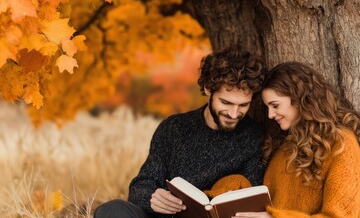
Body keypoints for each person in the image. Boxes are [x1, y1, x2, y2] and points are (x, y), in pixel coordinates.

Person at [93, 46, 266, 218]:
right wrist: (151, 198)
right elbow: (141, 185)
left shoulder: (253, 137)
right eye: (226, 103)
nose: (234, 113)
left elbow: (249, 197)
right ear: (208, 89)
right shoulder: (174, 128)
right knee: (111, 210)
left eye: (243, 105)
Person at [234, 61, 360, 218]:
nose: (270, 115)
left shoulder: (342, 144)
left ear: (299, 99)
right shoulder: (283, 148)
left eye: (275, 105)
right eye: (268, 108)